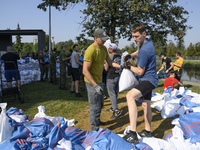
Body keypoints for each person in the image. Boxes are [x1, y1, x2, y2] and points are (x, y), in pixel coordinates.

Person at [122, 23, 158, 144]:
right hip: (151, 79)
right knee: (145, 104)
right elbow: (139, 50)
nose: (134, 39)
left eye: (137, 36)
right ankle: (147, 130)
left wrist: (128, 66)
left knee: (130, 96)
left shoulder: (145, 51)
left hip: (148, 80)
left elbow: (140, 72)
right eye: (133, 36)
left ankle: (132, 133)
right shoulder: (147, 42)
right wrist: (130, 55)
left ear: (144, 33)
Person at [83, 28, 121, 132]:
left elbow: (110, 62)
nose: (104, 41)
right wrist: (95, 85)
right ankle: (94, 130)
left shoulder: (103, 49)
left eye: (105, 39)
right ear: (95, 38)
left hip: (99, 80)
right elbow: (85, 71)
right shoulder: (90, 50)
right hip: (91, 82)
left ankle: (97, 121)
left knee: (100, 104)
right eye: (102, 39)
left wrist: (121, 66)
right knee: (94, 106)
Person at [104, 43, 122, 119]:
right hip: (117, 75)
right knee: (115, 92)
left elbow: (106, 69)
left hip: (111, 76)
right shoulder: (119, 55)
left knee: (111, 94)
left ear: (111, 49)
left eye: (109, 48)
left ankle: (116, 109)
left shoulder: (110, 56)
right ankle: (113, 106)